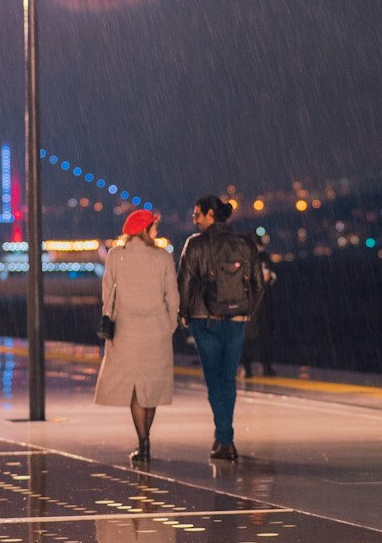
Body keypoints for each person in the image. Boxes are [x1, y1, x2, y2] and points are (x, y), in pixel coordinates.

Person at [177, 194, 264, 461]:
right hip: (237, 320)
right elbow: (259, 285)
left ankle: (224, 439)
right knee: (228, 380)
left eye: (196, 215)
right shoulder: (245, 244)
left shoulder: (194, 244)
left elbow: (185, 283)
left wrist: (184, 314)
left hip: (205, 320)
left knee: (214, 381)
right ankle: (225, 438)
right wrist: (247, 311)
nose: (194, 220)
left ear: (209, 215)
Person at [94, 209, 179, 463]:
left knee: (134, 389)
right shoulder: (162, 257)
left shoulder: (115, 256)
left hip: (126, 330)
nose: (156, 231)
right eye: (153, 226)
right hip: (157, 332)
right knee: (150, 388)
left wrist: (108, 317)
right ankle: (147, 437)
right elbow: (172, 296)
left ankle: (143, 441)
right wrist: (170, 324)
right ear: (145, 230)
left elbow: (108, 293)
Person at [243, 250, 277, 377]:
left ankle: (260, 367)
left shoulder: (252, 257)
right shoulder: (250, 258)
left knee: (261, 337)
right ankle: (249, 367)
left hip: (259, 304)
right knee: (252, 337)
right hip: (254, 304)